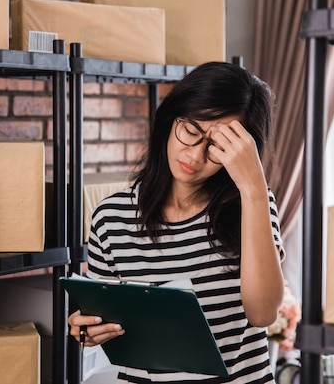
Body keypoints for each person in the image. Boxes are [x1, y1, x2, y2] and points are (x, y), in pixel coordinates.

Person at [68, 61, 286, 383]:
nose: (195, 156)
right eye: (191, 131)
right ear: (171, 119)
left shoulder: (251, 205)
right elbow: (101, 326)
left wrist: (253, 186)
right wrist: (87, 332)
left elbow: (264, 314)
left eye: (217, 147)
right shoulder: (111, 218)